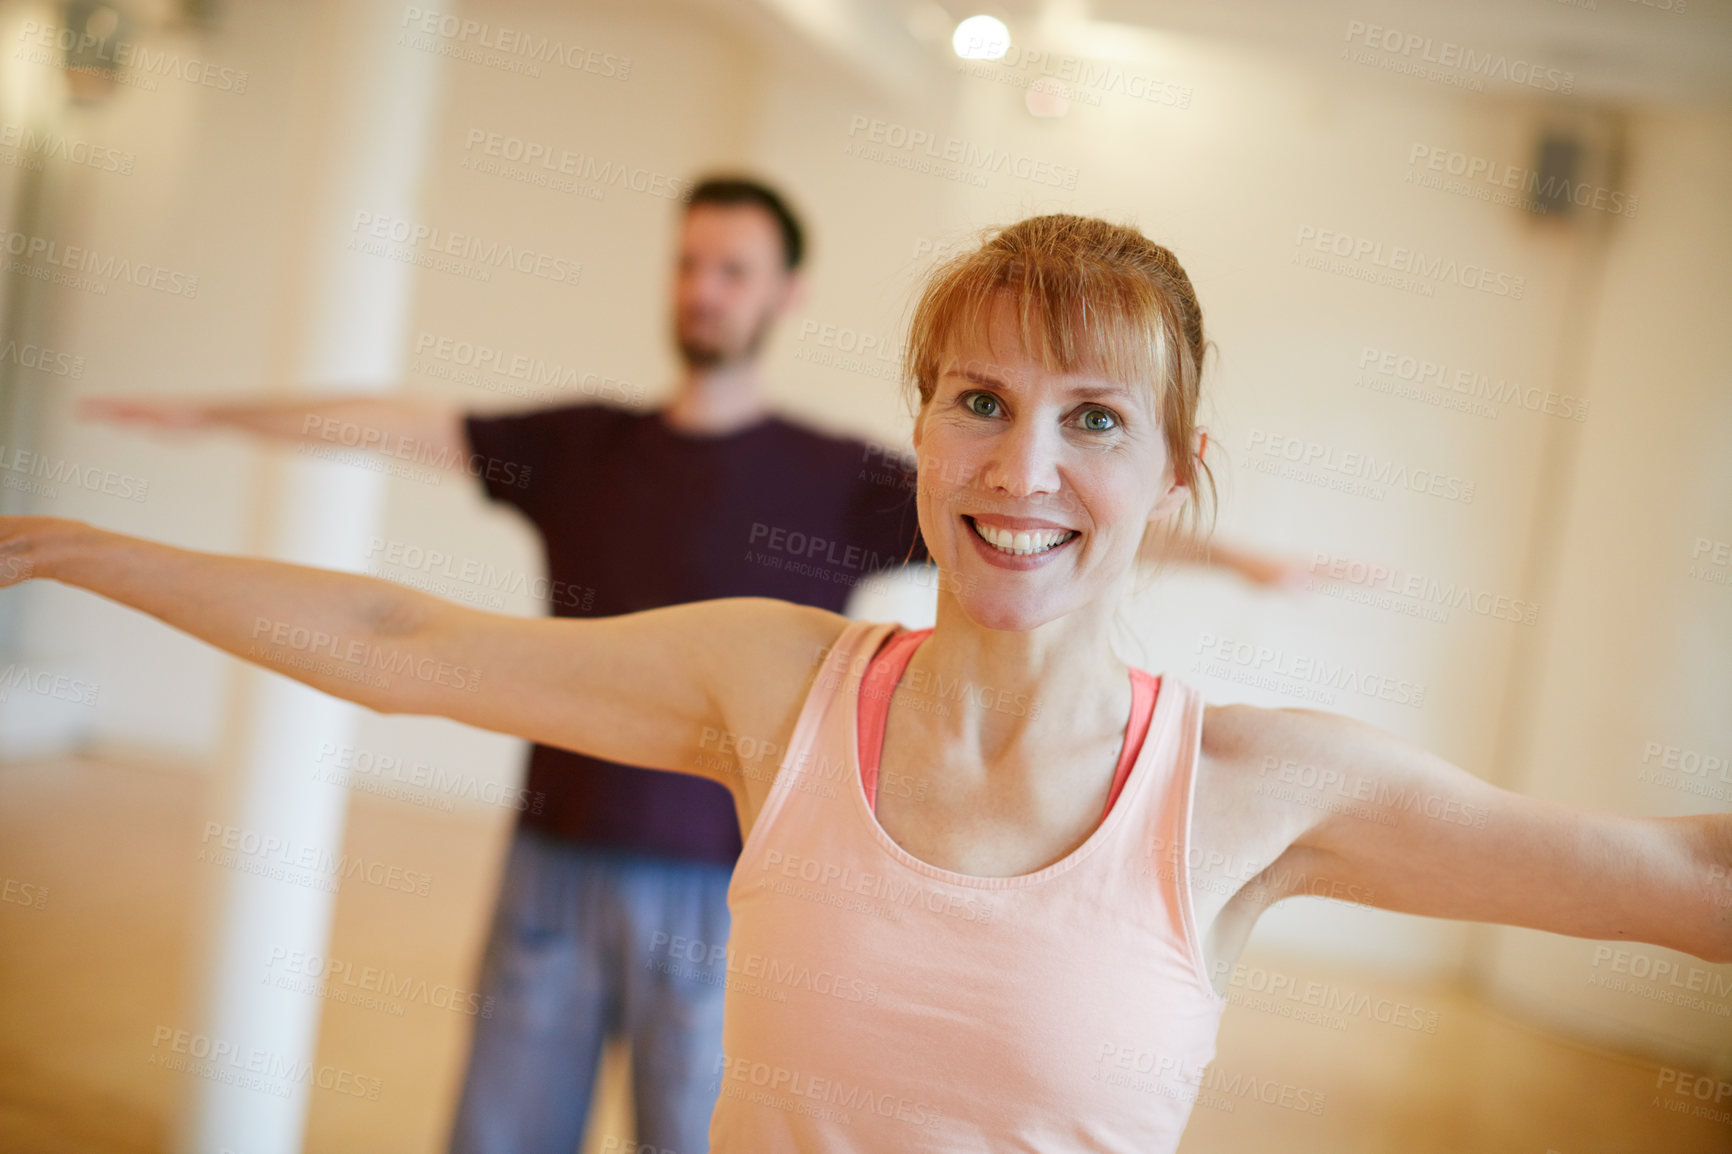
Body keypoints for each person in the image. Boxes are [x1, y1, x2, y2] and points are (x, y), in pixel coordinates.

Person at [23, 214, 1703, 1152]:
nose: (1021, 466)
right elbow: (404, 649)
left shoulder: (1264, 787)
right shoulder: (777, 680)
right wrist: (78, 548)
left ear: (1179, 473)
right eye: (977, 400)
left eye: (1093, 418)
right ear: (918, 428)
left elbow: (1680, 873)